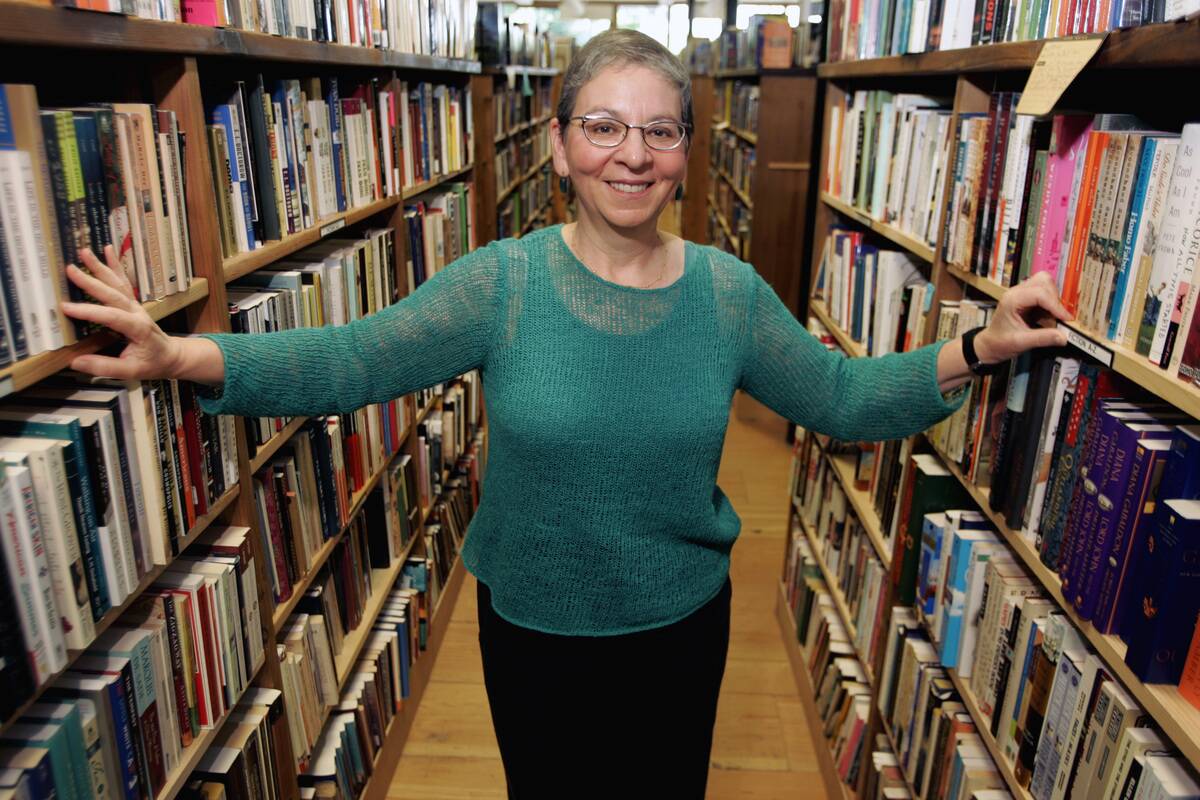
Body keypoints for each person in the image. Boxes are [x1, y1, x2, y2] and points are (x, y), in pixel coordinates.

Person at [60, 28, 1071, 800]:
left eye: (660, 130)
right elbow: (353, 355)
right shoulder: (500, 284)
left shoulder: (727, 293)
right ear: (558, 144)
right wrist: (186, 353)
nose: (632, 155)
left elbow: (841, 397)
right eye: (604, 126)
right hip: (534, 627)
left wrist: (977, 345)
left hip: (680, 624)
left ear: (685, 150)